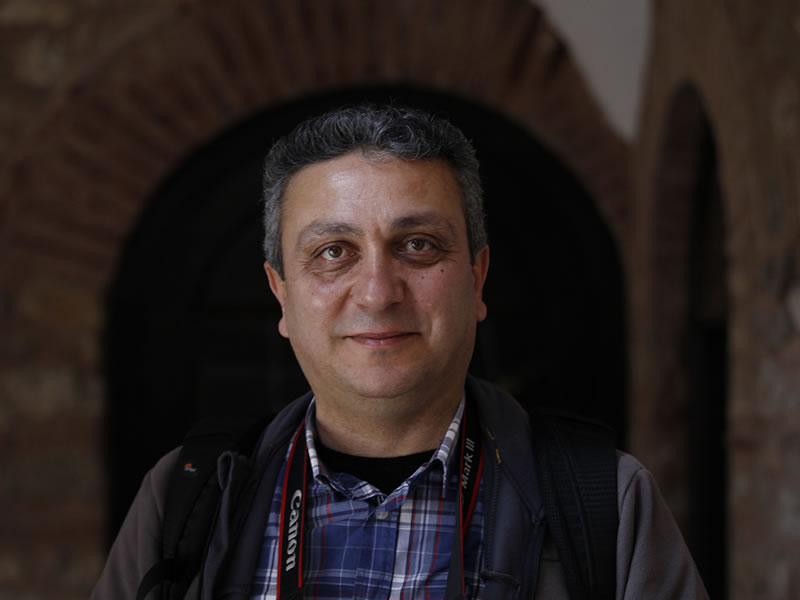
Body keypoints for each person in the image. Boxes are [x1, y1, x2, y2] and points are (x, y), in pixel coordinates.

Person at [92, 104, 708, 599]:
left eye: (417, 245)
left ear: (477, 280)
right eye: (334, 251)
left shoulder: (608, 503)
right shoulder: (185, 497)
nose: (378, 293)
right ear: (281, 293)